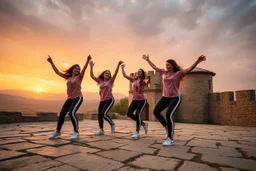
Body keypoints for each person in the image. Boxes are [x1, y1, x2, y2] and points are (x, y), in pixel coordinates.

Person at [142, 54, 206, 146]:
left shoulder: (178, 73)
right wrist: (148, 60)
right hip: (165, 97)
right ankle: (166, 126)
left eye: (168, 64)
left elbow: (189, 69)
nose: (166, 66)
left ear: (172, 65)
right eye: (166, 64)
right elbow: (154, 67)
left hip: (175, 97)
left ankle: (170, 139)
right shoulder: (163, 73)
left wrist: (197, 61)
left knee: (169, 114)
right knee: (156, 111)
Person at [47, 55, 91, 140]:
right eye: (75, 68)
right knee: (62, 114)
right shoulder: (68, 77)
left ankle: (76, 132)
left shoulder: (79, 77)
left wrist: (87, 60)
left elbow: (85, 68)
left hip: (78, 98)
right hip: (69, 98)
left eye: (78, 69)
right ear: (72, 69)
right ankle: (57, 131)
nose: (77, 70)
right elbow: (57, 72)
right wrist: (51, 62)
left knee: (71, 113)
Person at [89, 59, 123, 135]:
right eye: (106, 73)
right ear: (103, 75)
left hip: (109, 100)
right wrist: (91, 67)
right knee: (99, 114)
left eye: (108, 73)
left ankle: (112, 124)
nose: (107, 74)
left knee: (103, 113)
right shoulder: (100, 81)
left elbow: (115, 73)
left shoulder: (111, 81)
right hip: (102, 100)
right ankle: (101, 130)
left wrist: (118, 65)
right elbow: (91, 76)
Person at [121, 64, 150, 139]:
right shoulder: (133, 80)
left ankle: (137, 132)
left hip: (142, 100)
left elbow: (147, 82)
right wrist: (122, 68)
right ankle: (143, 124)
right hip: (135, 100)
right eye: (138, 71)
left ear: (142, 73)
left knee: (137, 114)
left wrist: (149, 79)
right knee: (129, 114)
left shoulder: (143, 80)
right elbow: (124, 75)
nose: (138, 72)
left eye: (140, 71)